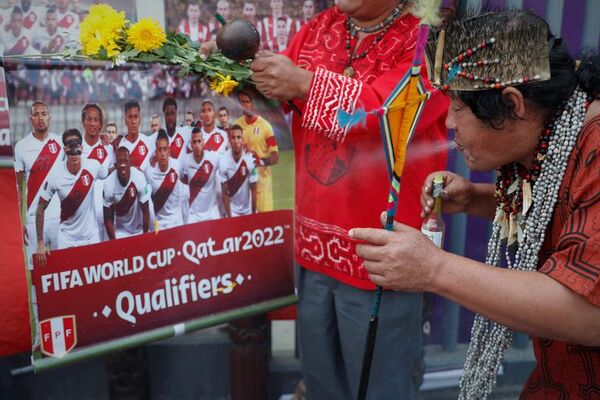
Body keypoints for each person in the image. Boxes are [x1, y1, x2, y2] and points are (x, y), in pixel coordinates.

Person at [350, 10, 600, 400]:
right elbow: (567, 207)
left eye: (459, 108)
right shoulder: (558, 124)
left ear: (514, 104)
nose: (448, 123)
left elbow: (588, 313)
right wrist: (476, 200)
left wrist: (434, 268)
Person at [249, 0, 449, 398]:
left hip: (383, 258)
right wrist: (245, 73)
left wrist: (305, 84)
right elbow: (280, 94)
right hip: (313, 250)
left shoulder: (429, 37)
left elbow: (384, 114)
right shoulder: (322, 25)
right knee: (323, 383)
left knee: (381, 388)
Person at [34, 129, 107, 263]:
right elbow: (40, 208)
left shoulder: (93, 165)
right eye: (70, 145)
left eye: (77, 145)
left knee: (95, 281)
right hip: (67, 240)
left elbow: (107, 173)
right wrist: (40, 242)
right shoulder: (55, 175)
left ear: (82, 147)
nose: (74, 151)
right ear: (64, 149)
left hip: (91, 237)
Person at [14, 100, 63, 258]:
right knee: (36, 271)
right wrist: (19, 222)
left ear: (50, 117)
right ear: (30, 119)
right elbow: (18, 189)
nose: (40, 118)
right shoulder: (21, 146)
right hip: (33, 219)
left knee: (62, 270)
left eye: (44, 114)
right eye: (36, 114)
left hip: (60, 217)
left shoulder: (61, 142)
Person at [233, 91, 278, 212]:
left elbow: (275, 157)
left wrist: (261, 161)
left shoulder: (265, 126)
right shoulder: (236, 125)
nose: (244, 105)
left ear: (253, 104)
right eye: (242, 102)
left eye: (247, 102)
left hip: (262, 186)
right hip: (243, 186)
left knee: (264, 223)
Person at [103, 147, 150, 239]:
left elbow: (146, 211)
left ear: (130, 163)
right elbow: (107, 219)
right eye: (120, 162)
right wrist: (114, 242)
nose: (123, 165)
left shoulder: (139, 177)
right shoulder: (109, 183)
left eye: (125, 161)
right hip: (120, 230)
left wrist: (145, 237)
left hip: (139, 228)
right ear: (116, 165)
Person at [145, 130, 187, 230]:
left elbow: (186, 182)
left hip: (177, 222)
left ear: (169, 150)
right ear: (156, 152)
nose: (163, 153)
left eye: (165, 149)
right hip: (159, 226)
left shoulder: (177, 166)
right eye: (160, 150)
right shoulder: (149, 171)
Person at [181, 127, 222, 222]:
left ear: (203, 142)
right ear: (191, 144)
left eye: (199, 141)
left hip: (212, 212)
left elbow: (228, 160)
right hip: (193, 215)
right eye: (194, 142)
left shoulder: (214, 158)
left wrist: (245, 151)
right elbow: (177, 171)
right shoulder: (185, 161)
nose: (197, 145)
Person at [220, 125, 257, 217]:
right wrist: (229, 216)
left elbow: (254, 189)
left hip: (248, 210)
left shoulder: (250, 159)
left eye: (238, 137)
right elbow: (224, 193)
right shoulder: (224, 160)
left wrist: (253, 214)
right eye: (233, 138)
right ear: (229, 140)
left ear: (242, 139)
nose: (236, 141)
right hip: (233, 211)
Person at [150, 97, 192, 162]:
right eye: (167, 114)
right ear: (164, 115)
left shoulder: (186, 132)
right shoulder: (156, 137)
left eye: (172, 113)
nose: (170, 117)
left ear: (176, 114)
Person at [114, 100, 152, 170]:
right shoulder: (119, 146)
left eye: (136, 117)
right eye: (130, 117)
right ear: (125, 121)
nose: (133, 121)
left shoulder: (149, 142)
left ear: (139, 120)